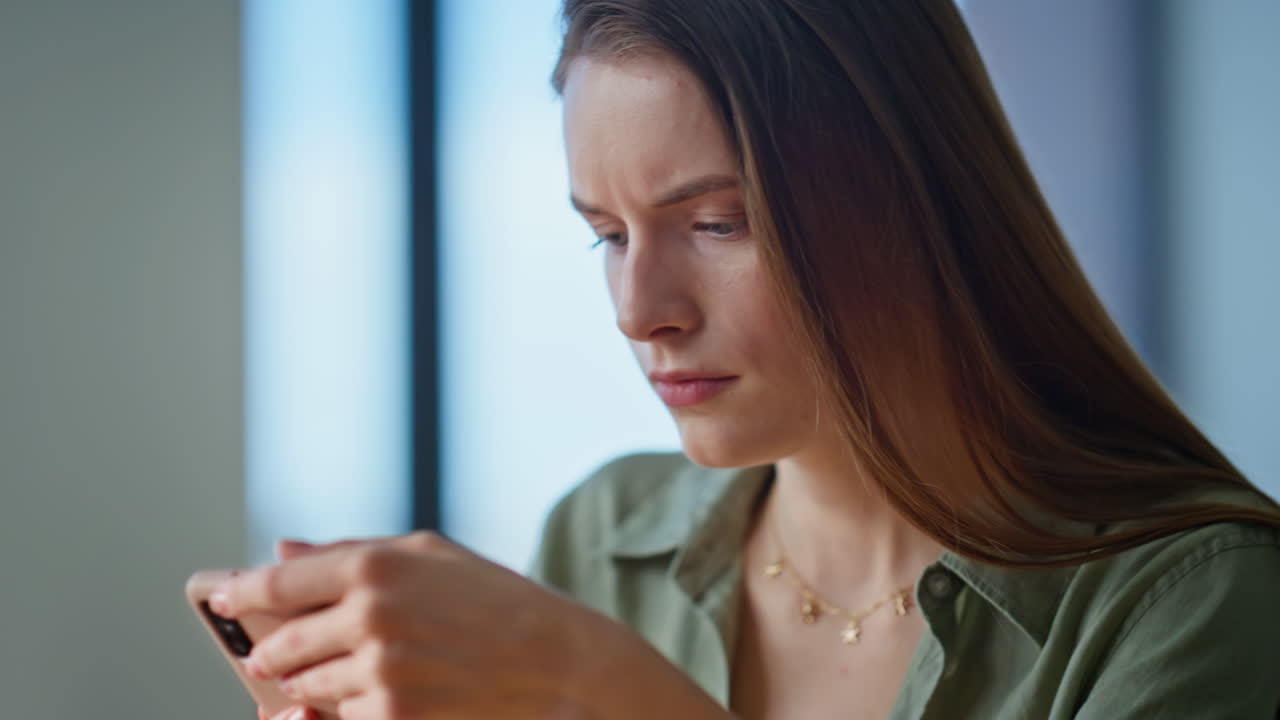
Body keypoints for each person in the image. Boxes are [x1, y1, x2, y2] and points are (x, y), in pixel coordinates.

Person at [216, 1, 1280, 719]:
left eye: (716, 224)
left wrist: (613, 693)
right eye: (607, 234)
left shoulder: (1186, 603)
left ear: (913, 197)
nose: (642, 313)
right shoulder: (601, 541)